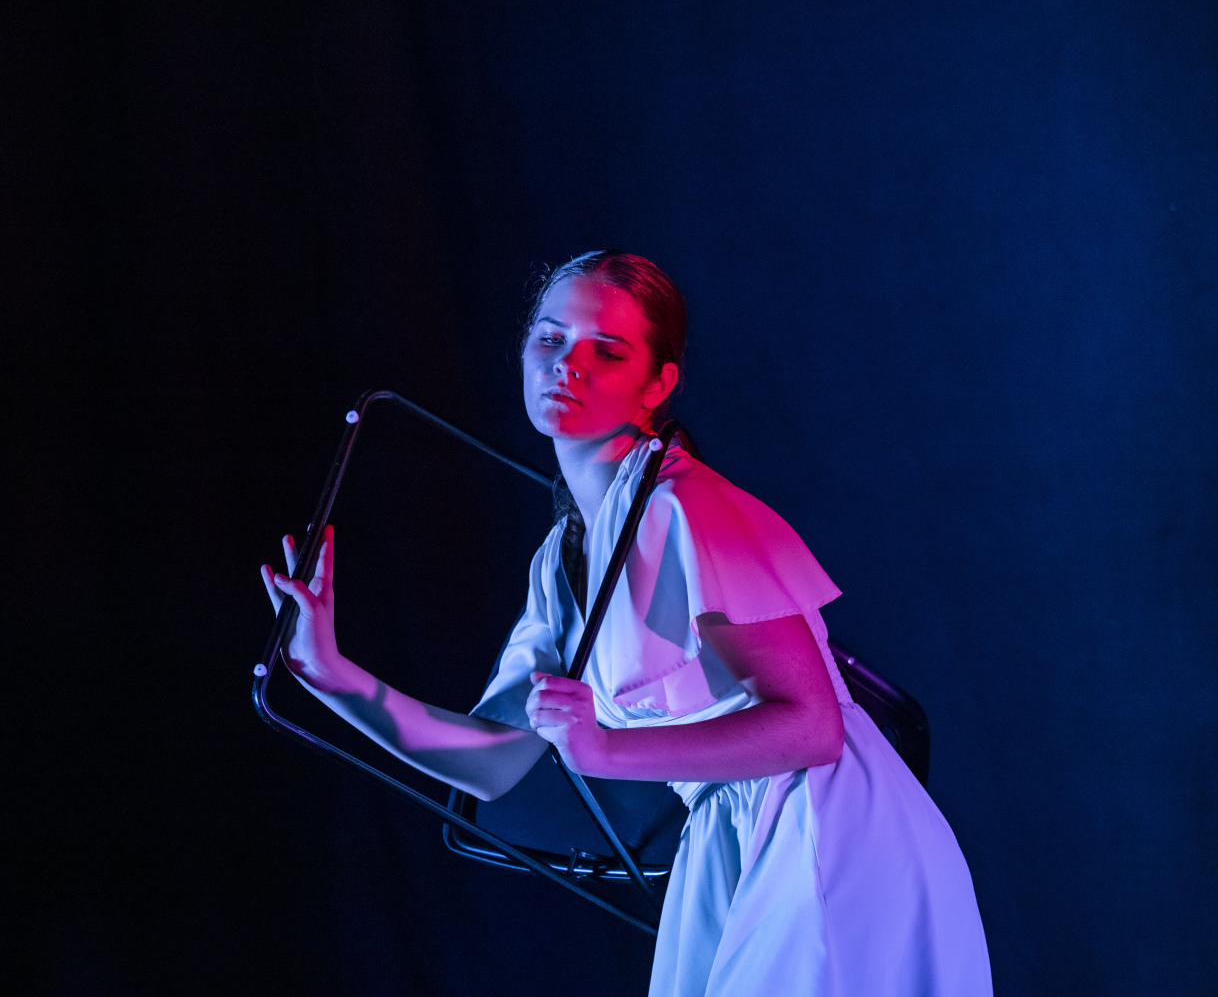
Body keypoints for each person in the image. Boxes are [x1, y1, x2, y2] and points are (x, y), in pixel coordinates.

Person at [261, 250, 992, 995]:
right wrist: (330, 674)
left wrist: (606, 747)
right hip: (730, 835)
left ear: (657, 384)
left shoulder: (686, 507)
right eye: (550, 339)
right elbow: (494, 764)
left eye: (606, 351)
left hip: (827, 826)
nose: (568, 364)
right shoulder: (561, 560)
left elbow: (813, 729)